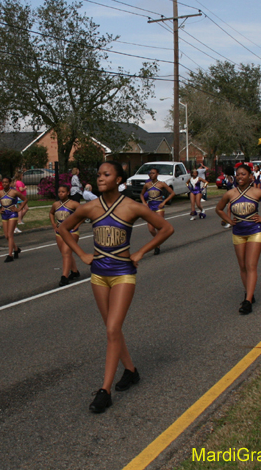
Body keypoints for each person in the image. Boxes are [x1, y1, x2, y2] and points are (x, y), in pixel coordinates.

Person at [58, 161, 173, 414]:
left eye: (106, 174)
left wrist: (141, 251)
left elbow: (166, 228)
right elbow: (63, 228)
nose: (100, 178)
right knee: (112, 329)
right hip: (98, 275)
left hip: (123, 274)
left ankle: (105, 390)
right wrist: (83, 255)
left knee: (112, 328)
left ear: (119, 179)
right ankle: (131, 371)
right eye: (98, 174)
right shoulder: (90, 207)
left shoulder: (132, 206)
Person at [215, 163, 261, 315]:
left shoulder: (257, 192)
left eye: (243, 174)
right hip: (238, 232)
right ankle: (248, 293)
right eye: (238, 174)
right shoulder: (230, 194)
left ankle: (248, 301)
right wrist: (229, 220)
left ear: (251, 176)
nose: (240, 177)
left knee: (251, 265)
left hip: (255, 231)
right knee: (243, 266)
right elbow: (218, 209)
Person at [50, 185, 81, 287]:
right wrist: (53, 224)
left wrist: (77, 224)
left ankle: (64, 277)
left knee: (66, 252)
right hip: (59, 232)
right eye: (59, 192)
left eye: (63, 192)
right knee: (65, 253)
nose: (60, 194)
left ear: (68, 193)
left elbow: (84, 213)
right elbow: (51, 213)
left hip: (71, 231)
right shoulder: (55, 204)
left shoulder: (73, 204)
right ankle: (75, 272)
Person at [141, 167, 174, 255]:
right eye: (150, 173)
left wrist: (164, 202)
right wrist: (144, 203)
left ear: (157, 174)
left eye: (154, 173)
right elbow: (141, 194)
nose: (152, 175)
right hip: (150, 207)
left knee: (159, 227)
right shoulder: (147, 184)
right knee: (151, 229)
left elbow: (172, 193)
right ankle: (157, 242)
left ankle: (156, 245)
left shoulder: (162, 184)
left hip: (159, 207)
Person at [0, 177, 26, 262]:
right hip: (4, 214)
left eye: (6, 182)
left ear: (9, 183)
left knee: (10, 234)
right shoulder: (0, 193)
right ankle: (16, 249)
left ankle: (10, 255)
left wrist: (19, 209)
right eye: (3, 182)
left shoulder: (14, 192)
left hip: (13, 213)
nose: (4, 184)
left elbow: (25, 199)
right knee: (6, 236)